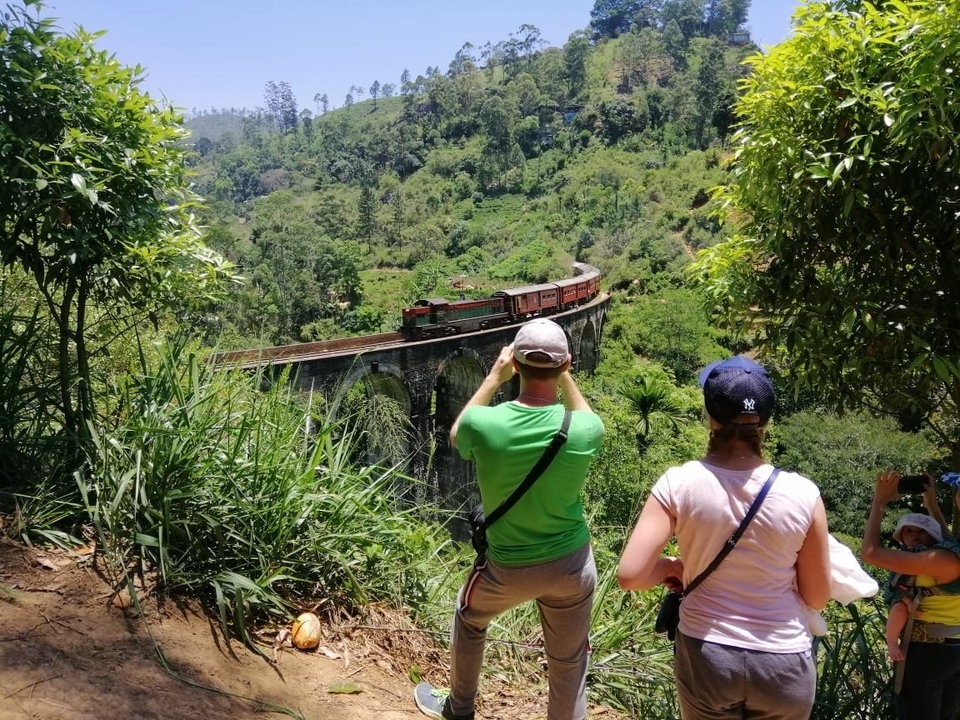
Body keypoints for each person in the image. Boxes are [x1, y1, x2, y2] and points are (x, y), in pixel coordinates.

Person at [617, 355, 831, 720]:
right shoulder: (803, 493)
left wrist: (673, 566)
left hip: (708, 655)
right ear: (763, 424)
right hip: (783, 661)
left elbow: (631, 576)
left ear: (710, 418)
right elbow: (817, 596)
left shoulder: (678, 483)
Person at [414, 318, 605, 720]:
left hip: (507, 567)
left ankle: (460, 708)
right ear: (566, 363)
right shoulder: (586, 430)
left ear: (514, 364)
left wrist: (492, 378)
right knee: (570, 659)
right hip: (571, 565)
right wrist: (565, 376)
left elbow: (455, 434)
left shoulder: (484, 424)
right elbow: (585, 413)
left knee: (469, 618)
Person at [862, 470, 960, 719]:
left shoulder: (943, 560)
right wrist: (932, 506)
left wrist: (879, 502)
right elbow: (949, 542)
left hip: (927, 653)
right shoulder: (950, 553)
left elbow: (871, 552)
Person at [883, 480, 950, 661]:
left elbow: (948, 542)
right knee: (898, 609)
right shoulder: (902, 555)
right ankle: (890, 642)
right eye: (910, 531)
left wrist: (932, 504)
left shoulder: (940, 553)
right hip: (904, 599)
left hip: (939, 626)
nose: (915, 535)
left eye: (922, 532)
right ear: (902, 537)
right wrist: (903, 598)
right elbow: (892, 584)